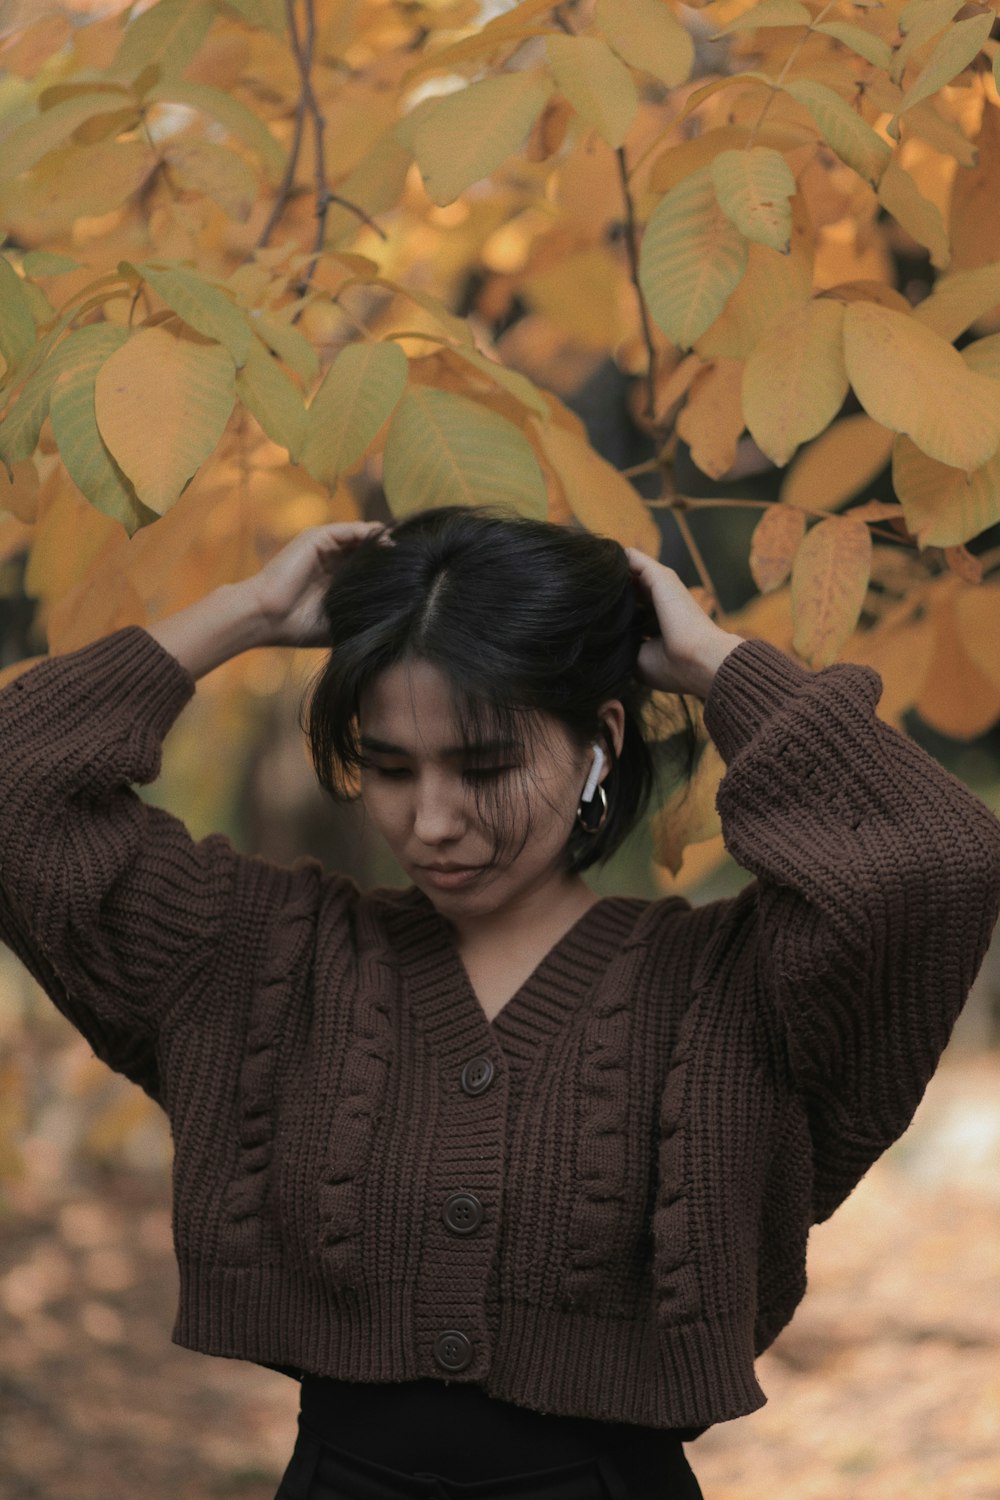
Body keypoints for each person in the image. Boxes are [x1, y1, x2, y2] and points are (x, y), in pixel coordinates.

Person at [1, 504, 998, 1500]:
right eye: (390, 768)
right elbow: (19, 791)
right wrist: (243, 613)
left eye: (484, 767)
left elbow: (932, 862)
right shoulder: (262, 962)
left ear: (599, 744)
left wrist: (714, 665)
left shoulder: (729, 995)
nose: (432, 820)